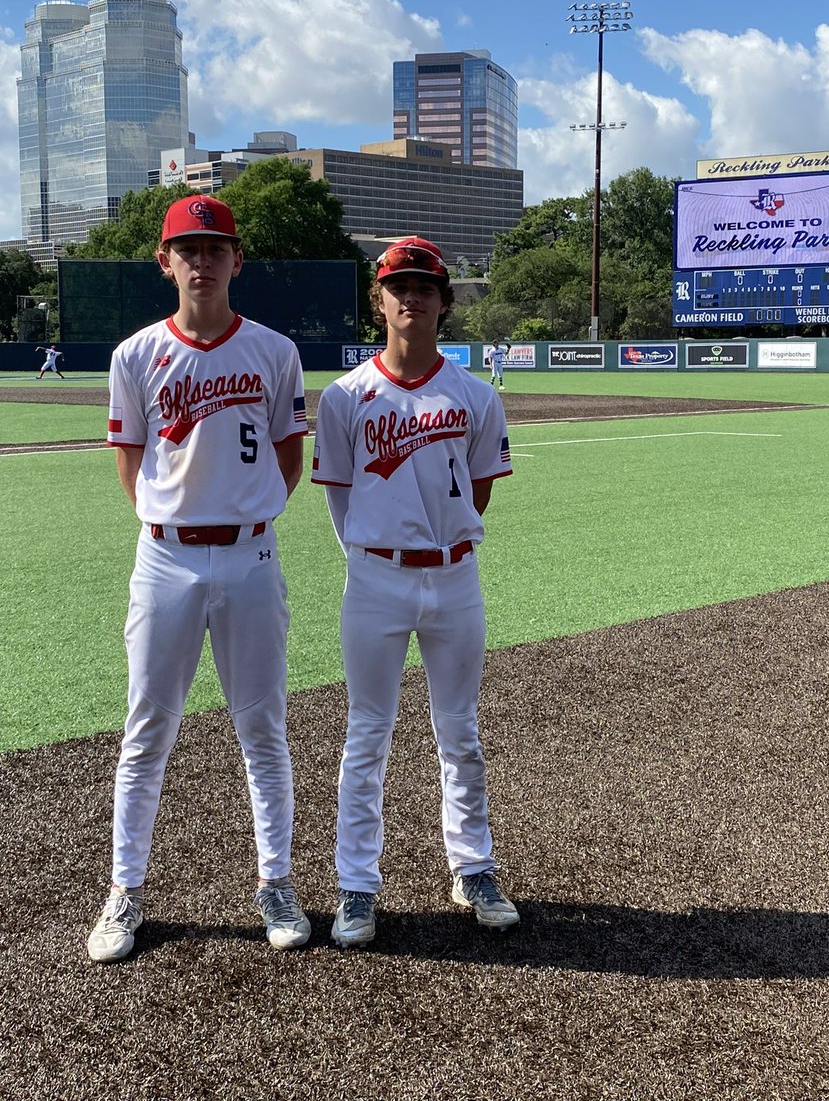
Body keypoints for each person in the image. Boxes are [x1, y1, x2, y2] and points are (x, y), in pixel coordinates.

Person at [88, 195, 310, 963]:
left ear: (237, 260)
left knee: (263, 728)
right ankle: (125, 892)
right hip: (166, 557)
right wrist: (171, 520)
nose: (203, 260)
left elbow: (291, 457)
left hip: (250, 556)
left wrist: (248, 516)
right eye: (189, 248)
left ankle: (276, 882)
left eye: (217, 247)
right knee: (147, 730)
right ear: (166, 260)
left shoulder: (275, 351)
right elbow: (130, 461)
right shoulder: (135, 355)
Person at [311, 235, 520, 949]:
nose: (411, 297)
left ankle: (474, 868)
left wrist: (438, 545)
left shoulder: (475, 394)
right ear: (379, 300)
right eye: (398, 286)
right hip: (375, 577)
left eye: (424, 287)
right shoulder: (344, 397)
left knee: (459, 732)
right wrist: (372, 554)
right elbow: (337, 494)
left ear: (443, 302)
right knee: (366, 735)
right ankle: (357, 886)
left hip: (456, 575)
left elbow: (480, 488)